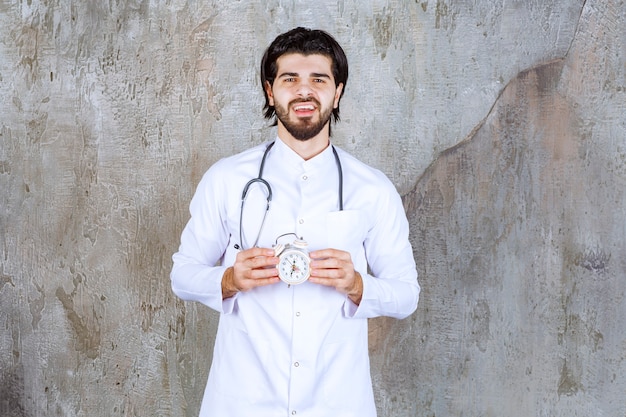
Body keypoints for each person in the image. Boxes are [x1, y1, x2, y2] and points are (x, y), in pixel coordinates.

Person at [171, 27, 420, 417]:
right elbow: (182, 275)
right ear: (271, 91)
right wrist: (227, 280)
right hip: (243, 400)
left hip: (336, 402)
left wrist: (357, 285)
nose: (305, 91)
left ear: (337, 92)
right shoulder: (226, 179)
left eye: (319, 80)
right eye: (290, 79)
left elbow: (406, 295)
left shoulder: (372, 189)